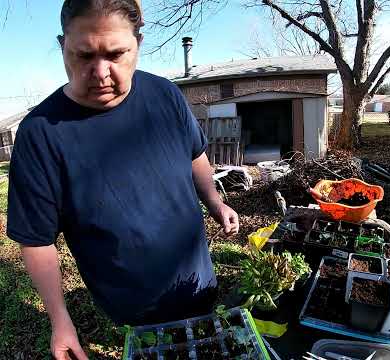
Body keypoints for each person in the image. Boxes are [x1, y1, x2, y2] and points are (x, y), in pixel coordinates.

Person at [6, 1, 239, 359]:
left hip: (197, 276)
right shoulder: (41, 135)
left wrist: (215, 201)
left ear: (138, 44)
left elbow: (196, 156)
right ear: (62, 45)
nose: (100, 72)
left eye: (116, 54)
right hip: (129, 303)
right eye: (83, 55)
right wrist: (60, 319)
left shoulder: (166, 96)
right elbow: (37, 240)